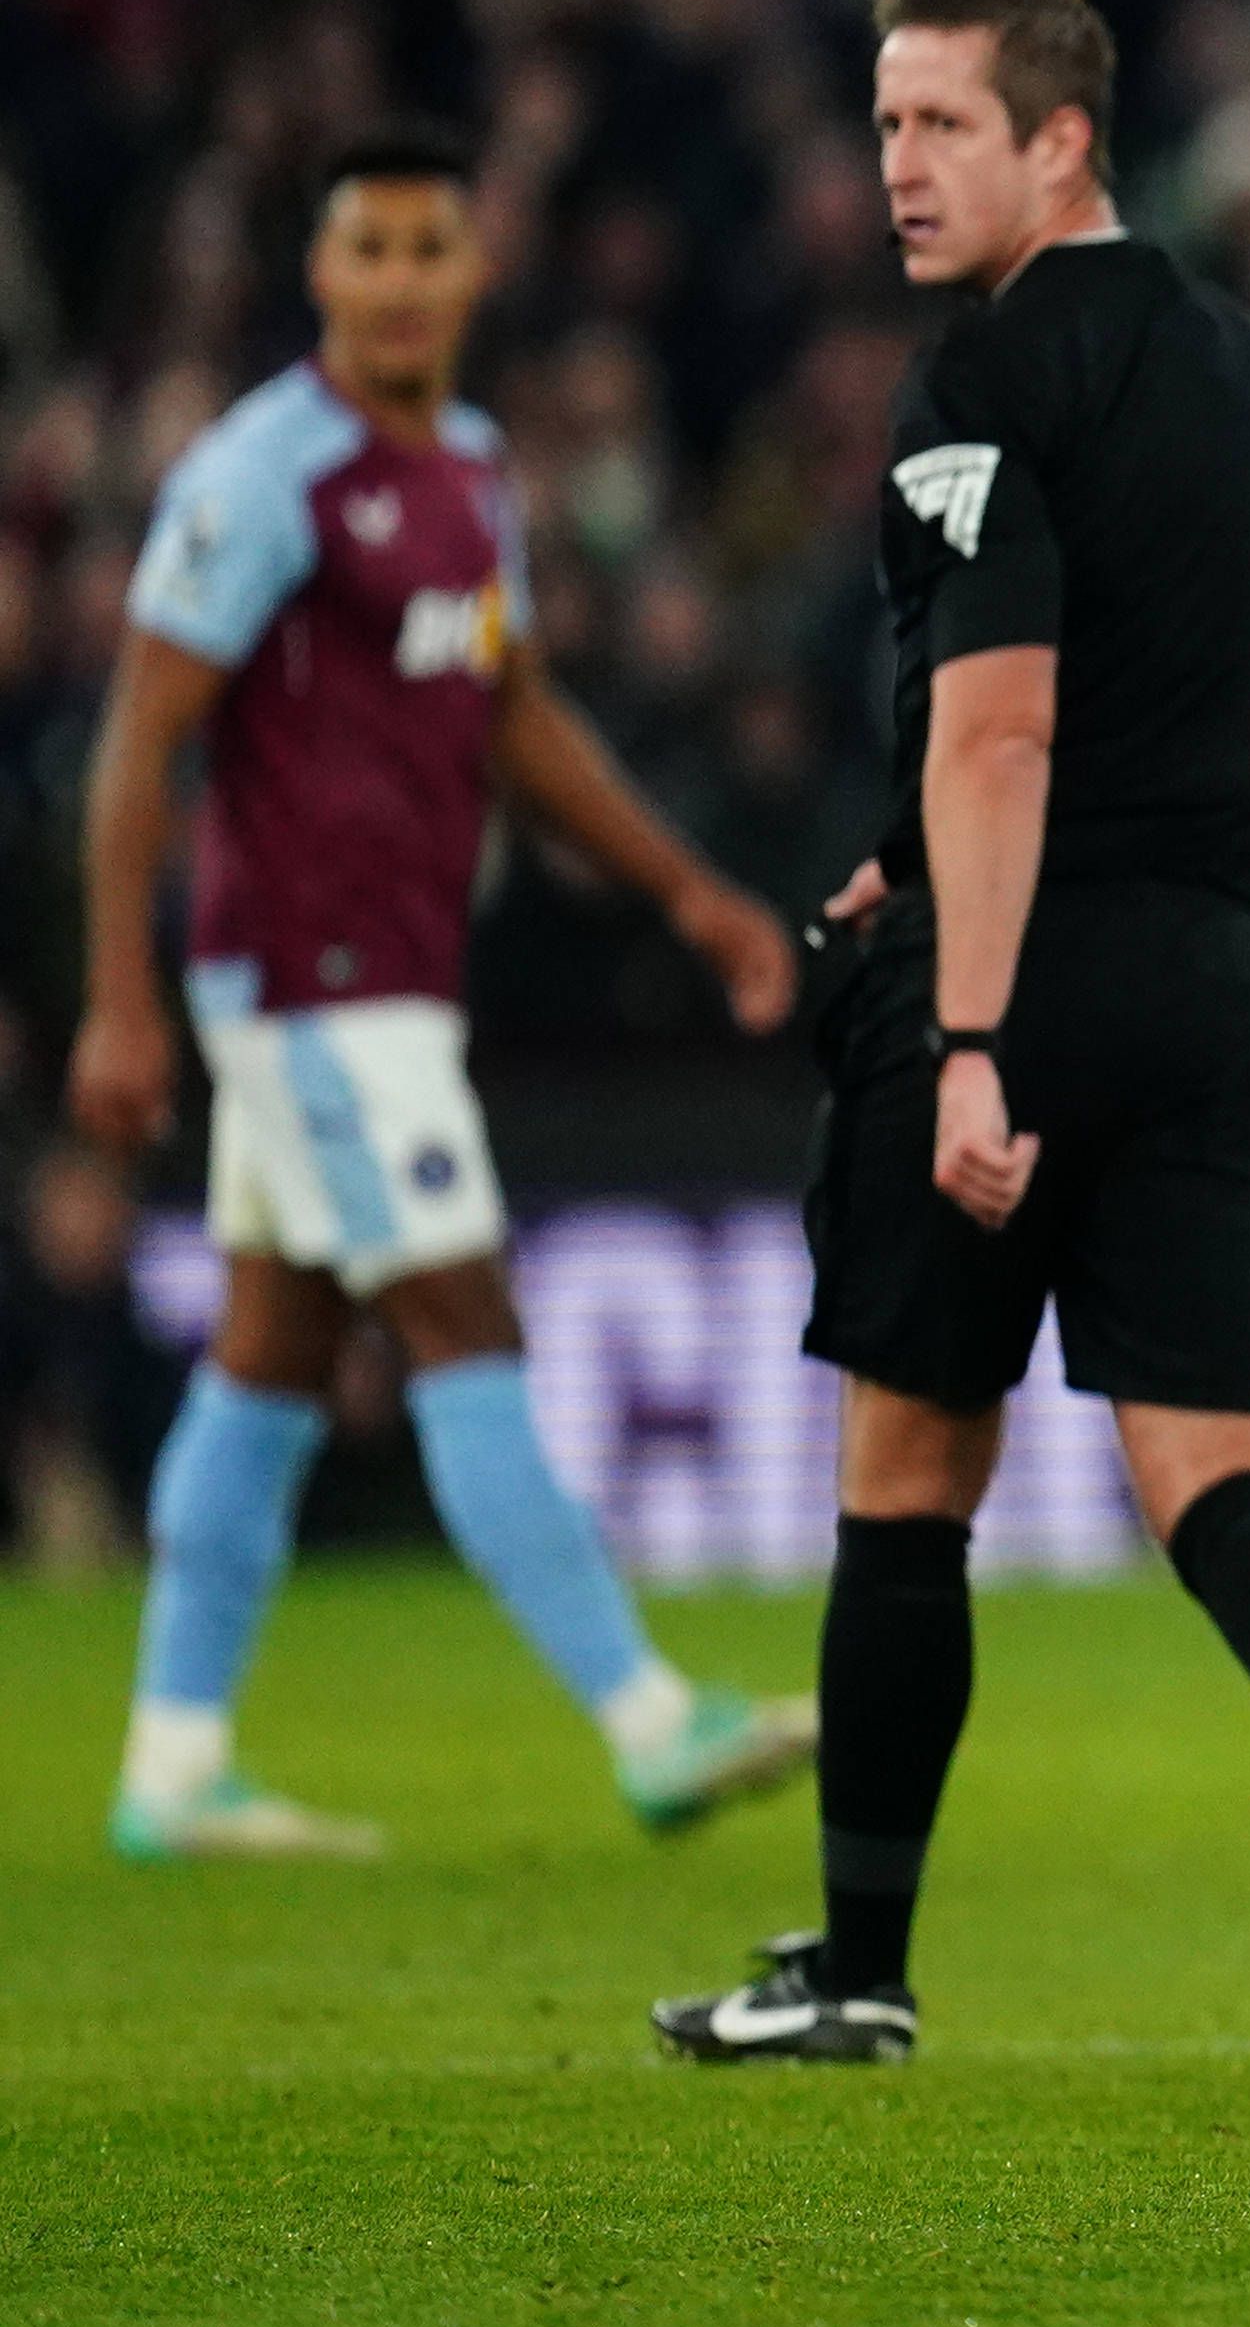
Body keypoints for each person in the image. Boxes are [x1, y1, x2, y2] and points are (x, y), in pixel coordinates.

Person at [655, 0, 1250, 2069]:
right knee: (1211, 1454)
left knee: (908, 1470)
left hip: (1023, 974)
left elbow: (994, 733)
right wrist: (926, 857)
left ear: (1059, 140)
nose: (893, 167)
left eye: (938, 127)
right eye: (885, 123)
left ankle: (860, 1958)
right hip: (1216, 961)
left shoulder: (979, 378)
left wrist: (972, 1023)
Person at [70, 128, 812, 1861]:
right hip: (310, 987)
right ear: (320, 277)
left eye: (430, 251)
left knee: (267, 1363)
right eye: (369, 251)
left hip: (391, 978)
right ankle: (650, 1718)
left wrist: (690, 893)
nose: (402, 282)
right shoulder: (265, 477)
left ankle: (175, 1764)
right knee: (465, 1324)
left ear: (476, 275)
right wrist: (120, 1000)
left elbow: (514, 715)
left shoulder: (475, 470)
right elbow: (137, 739)